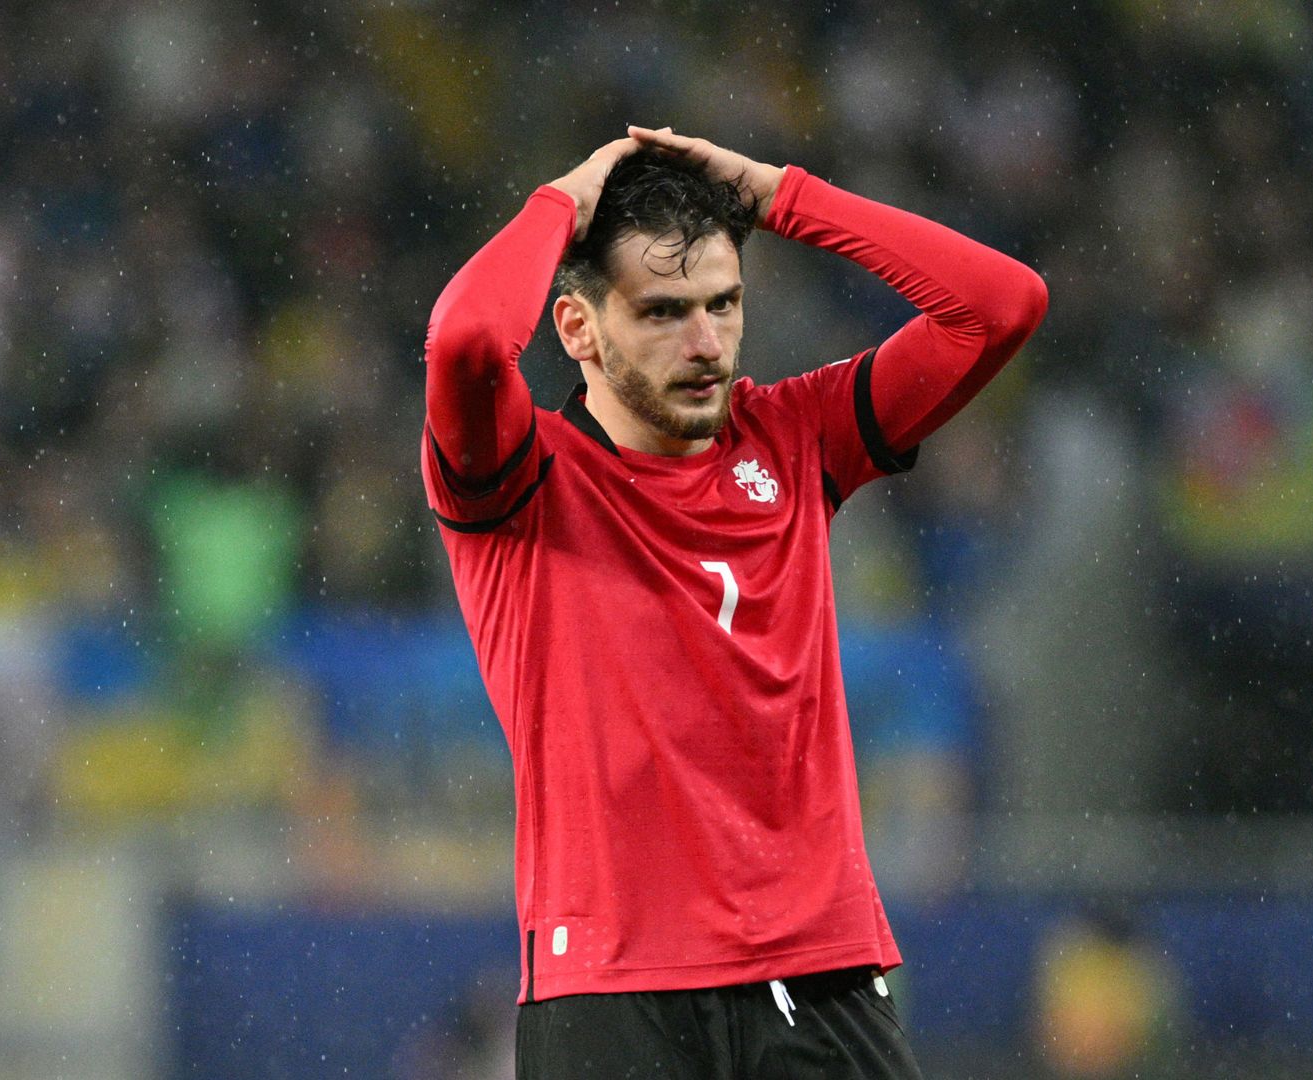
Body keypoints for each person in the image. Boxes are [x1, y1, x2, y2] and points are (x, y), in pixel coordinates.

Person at [421, 125, 1047, 1079]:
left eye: (724, 303)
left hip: (822, 970)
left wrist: (780, 196)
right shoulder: (522, 480)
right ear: (577, 327)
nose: (706, 342)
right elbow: (465, 338)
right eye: (665, 312)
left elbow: (1000, 306)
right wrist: (564, 200)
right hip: (613, 988)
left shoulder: (797, 438)